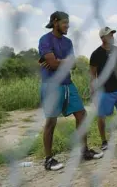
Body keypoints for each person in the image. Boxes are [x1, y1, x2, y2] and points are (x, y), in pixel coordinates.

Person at [38, 11, 103, 171]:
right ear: (55, 22)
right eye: (64, 23)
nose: (67, 26)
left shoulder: (67, 42)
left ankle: (84, 151)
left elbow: (71, 64)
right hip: (51, 85)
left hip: (68, 83)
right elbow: (52, 65)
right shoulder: (45, 40)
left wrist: (58, 61)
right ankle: (48, 159)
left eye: (68, 23)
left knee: (82, 114)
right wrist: (61, 62)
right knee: (51, 121)